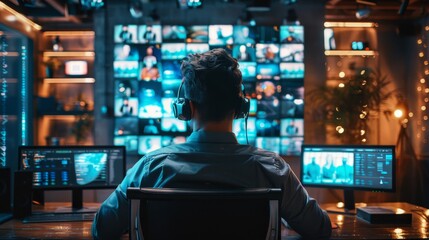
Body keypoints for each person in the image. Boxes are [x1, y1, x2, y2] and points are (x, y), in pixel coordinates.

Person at [92, 48, 331, 239]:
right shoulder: (272, 169)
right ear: (240, 109)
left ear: (186, 108)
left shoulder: (151, 167)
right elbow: (319, 229)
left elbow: (102, 228)